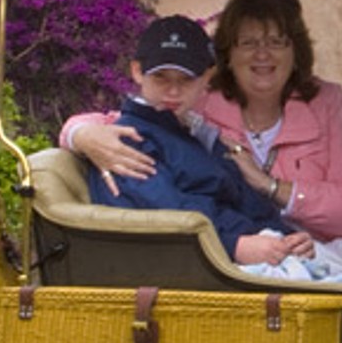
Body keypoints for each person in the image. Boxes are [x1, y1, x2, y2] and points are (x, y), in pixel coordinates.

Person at [63, 0, 342, 244]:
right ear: (227, 55)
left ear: (296, 52)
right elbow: (132, 122)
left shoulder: (325, 101)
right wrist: (81, 135)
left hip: (318, 246)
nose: (262, 54)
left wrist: (272, 187)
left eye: (276, 42)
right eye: (249, 43)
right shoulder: (197, 96)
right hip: (235, 251)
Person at [84, 15, 316, 269]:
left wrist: (286, 237)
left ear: (207, 77)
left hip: (244, 251)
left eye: (185, 79)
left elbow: (248, 203)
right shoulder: (126, 141)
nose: (173, 91)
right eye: (161, 77)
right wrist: (236, 245)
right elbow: (167, 215)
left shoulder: (199, 135)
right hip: (201, 268)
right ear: (138, 72)